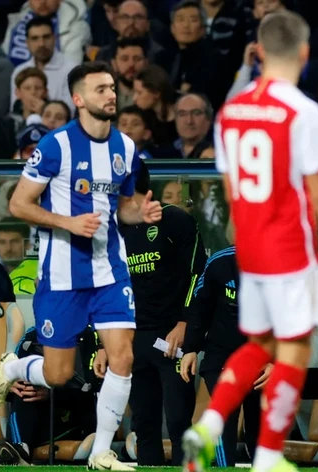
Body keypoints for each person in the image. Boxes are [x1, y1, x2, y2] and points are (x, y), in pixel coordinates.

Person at [181, 10, 318, 472]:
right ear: (304, 52)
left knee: (258, 343)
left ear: (257, 53)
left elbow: (229, 185)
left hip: (250, 250)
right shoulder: (303, 111)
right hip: (290, 250)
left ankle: (209, 425)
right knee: (294, 348)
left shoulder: (231, 112)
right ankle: (266, 456)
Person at [0, 61, 162, 471]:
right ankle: (14, 366)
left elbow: (124, 208)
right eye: (100, 89)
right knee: (59, 374)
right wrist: (67, 223)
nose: (111, 94)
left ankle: (101, 453)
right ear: (79, 99)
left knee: (122, 357)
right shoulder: (55, 146)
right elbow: (18, 204)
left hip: (110, 271)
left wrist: (143, 213)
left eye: (113, 87)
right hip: (62, 275)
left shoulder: (126, 148)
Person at [116, 161, 207, 465]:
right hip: (134, 339)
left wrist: (184, 322)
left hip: (172, 337)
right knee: (143, 425)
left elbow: (199, 275)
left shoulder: (175, 220)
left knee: (180, 420)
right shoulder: (116, 227)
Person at [178, 244, 268, 467]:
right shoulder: (219, 262)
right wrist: (190, 349)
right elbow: (200, 308)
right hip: (221, 357)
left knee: (258, 426)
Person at [0, 326, 100, 465]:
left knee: (30, 394)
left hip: (76, 418)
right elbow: (6, 383)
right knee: (25, 391)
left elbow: (93, 393)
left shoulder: (90, 336)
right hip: (39, 421)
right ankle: (20, 449)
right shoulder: (31, 336)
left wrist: (52, 394)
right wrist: (10, 386)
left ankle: (19, 450)